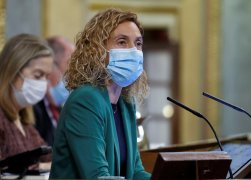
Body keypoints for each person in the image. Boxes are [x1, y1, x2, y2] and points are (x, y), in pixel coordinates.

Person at [49, 8, 151, 179]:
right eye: (121, 42)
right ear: (97, 51)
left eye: (138, 43)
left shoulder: (126, 102)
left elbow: (135, 172)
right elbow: (97, 176)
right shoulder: (86, 99)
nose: (133, 50)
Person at [0, 34, 53, 170]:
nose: (43, 83)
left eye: (46, 77)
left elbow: (51, 158)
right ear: (13, 71)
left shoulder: (25, 122)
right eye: (38, 75)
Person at [33, 36, 75, 146]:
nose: (72, 73)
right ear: (51, 66)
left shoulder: (60, 109)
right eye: (69, 64)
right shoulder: (32, 109)